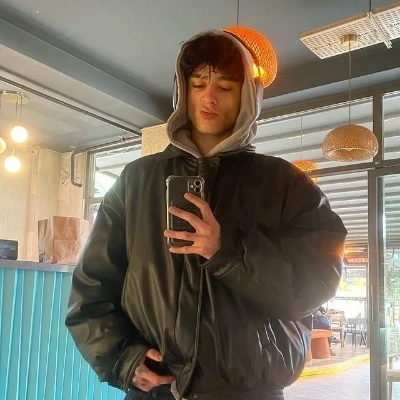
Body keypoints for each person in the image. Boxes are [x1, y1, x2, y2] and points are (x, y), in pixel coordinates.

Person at [65, 29, 347, 400]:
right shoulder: (136, 180)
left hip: (250, 391)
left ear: (247, 97)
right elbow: (91, 289)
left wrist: (227, 251)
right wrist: (121, 358)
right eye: (198, 84)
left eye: (225, 87)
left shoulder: (285, 183)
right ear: (183, 91)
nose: (209, 97)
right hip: (156, 392)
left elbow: (316, 282)